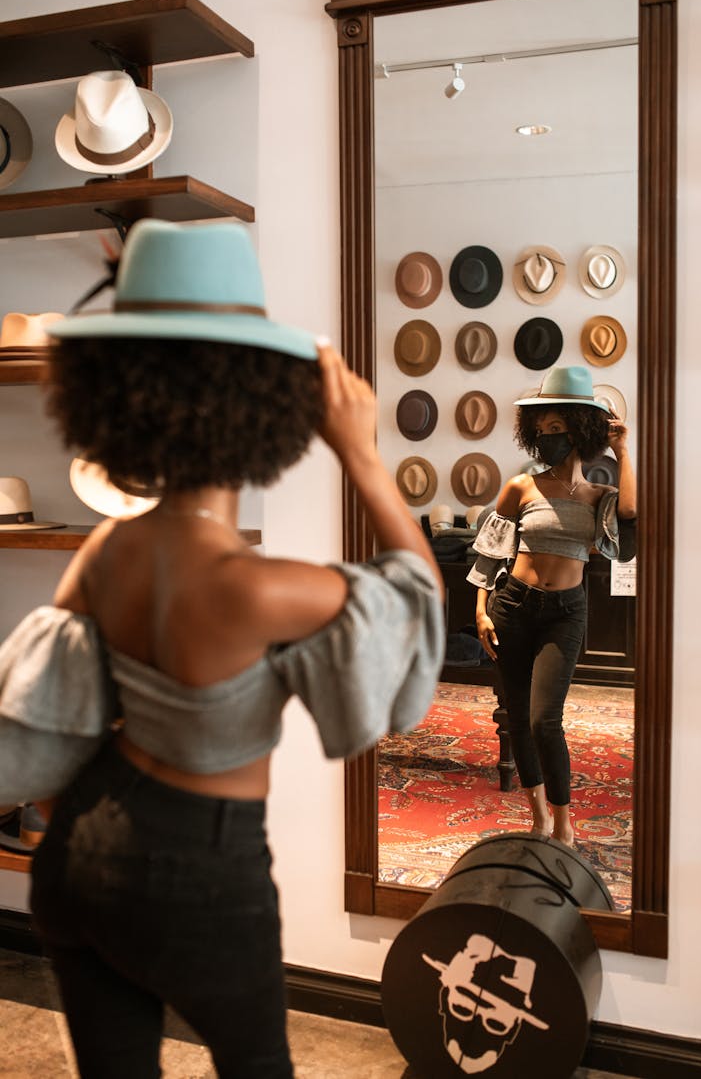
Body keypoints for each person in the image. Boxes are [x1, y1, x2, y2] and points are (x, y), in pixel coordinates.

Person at [1, 218, 444, 1078]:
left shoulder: (106, 551)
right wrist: (363, 454)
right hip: (201, 871)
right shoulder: (263, 589)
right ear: (262, 403)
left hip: (74, 860)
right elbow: (418, 600)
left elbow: (55, 705)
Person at [468, 366, 636, 847]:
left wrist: (623, 449)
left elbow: (630, 515)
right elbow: (489, 550)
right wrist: (481, 610)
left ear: (579, 432)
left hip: (565, 613)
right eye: (540, 430)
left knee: (546, 720)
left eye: (556, 429)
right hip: (512, 606)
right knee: (518, 717)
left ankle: (565, 823)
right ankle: (539, 816)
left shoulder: (599, 496)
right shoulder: (521, 488)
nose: (546, 439)